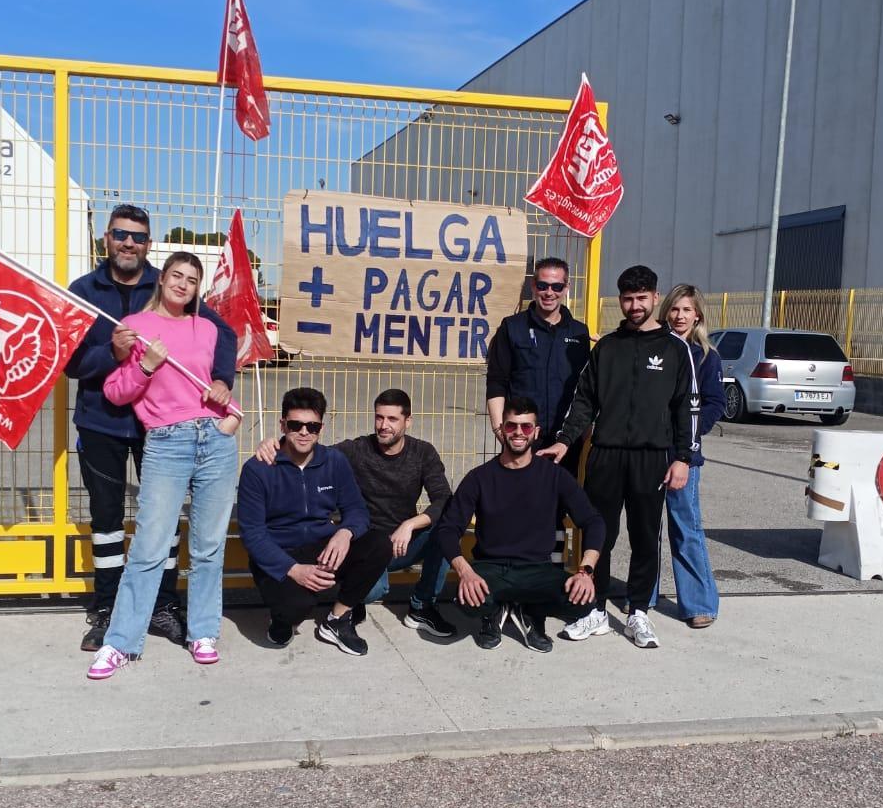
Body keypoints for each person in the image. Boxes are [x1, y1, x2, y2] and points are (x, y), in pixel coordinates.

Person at [67, 205, 236, 653]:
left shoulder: (167, 285)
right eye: (121, 234)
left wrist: (222, 380)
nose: (129, 243)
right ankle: (106, 608)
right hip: (102, 422)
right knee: (106, 522)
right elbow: (71, 363)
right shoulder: (84, 291)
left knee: (163, 527)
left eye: (139, 237)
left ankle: (163, 605)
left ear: (148, 244)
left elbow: (223, 335)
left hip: (161, 430)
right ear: (107, 238)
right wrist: (114, 353)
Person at [539, 264, 692, 650]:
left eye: (642, 298)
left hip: (651, 458)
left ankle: (638, 610)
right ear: (620, 300)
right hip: (606, 455)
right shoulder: (607, 347)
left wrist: (683, 458)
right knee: (600, 533)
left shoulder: (676, 350)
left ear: (655, 299)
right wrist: (563, 440)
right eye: (628, 298)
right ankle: (596, 610)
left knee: (644, 536)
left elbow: (685, 409)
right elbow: (584, 401)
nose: (635, 305)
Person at [252, 388, 456, 638]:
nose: (384, 426)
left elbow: (444, 498)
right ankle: (348, 602)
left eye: (392, 419)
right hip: (368, 544)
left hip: (405, 542)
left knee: (447, 528)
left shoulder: (423, 453)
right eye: (379, 417)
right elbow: (308, 446)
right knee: (372, 592)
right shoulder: (355, 450)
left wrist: (410, 524)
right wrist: (273, 443)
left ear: (407, 421)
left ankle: (422, 606)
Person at [437, 397, 605, 652]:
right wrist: (465, 571)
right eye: (511, 426)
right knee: (467, 600)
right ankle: (493, 613)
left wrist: (585, 571)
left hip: (537, 568)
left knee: (583, 601)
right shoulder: (479, 478)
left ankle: (531, 615)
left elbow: (593, 522)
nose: (518, 433)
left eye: (526, 427)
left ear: (536, 432)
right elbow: (448, 528)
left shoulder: (554, 476)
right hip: (491, 567)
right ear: (501, 429)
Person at [236, 387, 393, 657]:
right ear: (283, 424)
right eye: (296, 425)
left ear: (321, 426)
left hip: (322, 546)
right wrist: (294, 570)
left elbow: (356, 510)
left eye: (313, 426)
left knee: (379, 543)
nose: (304, 432)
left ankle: (338, 619)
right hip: (281, 552)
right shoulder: (258, 468)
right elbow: (252, 533)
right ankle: (282, 620)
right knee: (297, 605)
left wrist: (345, 532)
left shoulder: (334, 461)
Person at [652, 284, 725, 629]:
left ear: (698, 315)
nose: (680, 316)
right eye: (674, 309)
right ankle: (643, 595)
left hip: (685, 457)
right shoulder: (655, 348)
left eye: (687, 310)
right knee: (646, 528)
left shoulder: (707, 356)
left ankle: (698, 603)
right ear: (665, 311)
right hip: (649, 453)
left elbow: (715, 403)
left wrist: (692, 435)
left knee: (685, 528)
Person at [486, 256, 591, 452]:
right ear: (533, 286)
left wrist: (580, 433)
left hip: (565, 441)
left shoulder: (579, 332)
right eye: (543, 285)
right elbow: (496, 382)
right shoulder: (512, 327)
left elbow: (585, 389)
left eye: (557, 287)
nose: (549, 292)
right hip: (522, 437)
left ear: (566, 288)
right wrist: (500, 431)